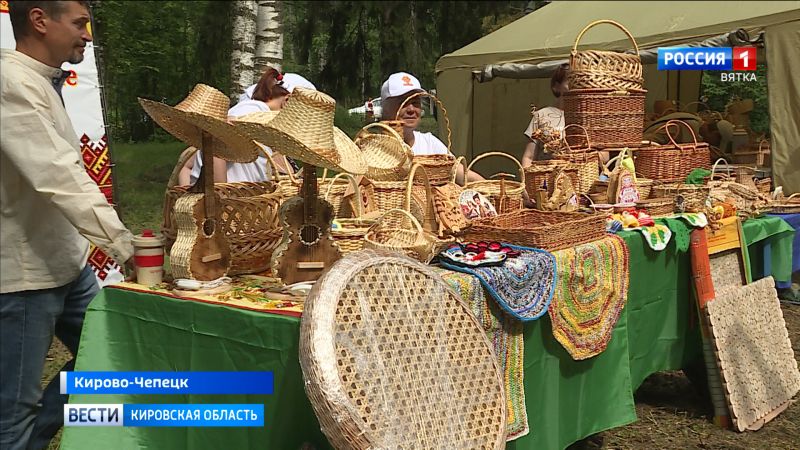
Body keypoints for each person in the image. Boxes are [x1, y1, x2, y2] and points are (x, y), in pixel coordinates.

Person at [1, 2, 135, 449]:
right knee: (12, 413)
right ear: (40, 21)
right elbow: (58, 176)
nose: (88, 35)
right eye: (79, 24)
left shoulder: (38, 81)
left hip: (65, 261)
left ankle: (37, 433)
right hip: (23, 277)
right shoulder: (10, 82)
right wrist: (125, 245)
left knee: (111, 358)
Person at [178, 70, 314, 185]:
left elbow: (188, 165)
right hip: (230, 208)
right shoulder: (251, 116)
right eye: (299, 116)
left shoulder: (247, 111)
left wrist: (185, 193)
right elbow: (216, 147)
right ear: (287, 101)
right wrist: (220, 200)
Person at [379, 71, 484, 185]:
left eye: (415, 102)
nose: (411, 109)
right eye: (403, 103)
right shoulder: (373, 149)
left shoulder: (429, 143)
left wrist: (489, 188)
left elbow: (461, 174)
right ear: (385, 107)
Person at [521, 64, 569, 166]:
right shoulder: (542, 115)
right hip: (546, 177)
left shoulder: (586, 116)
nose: (574, 86)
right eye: (568, 81)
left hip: (581, 177)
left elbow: (604, 156)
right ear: (556, 87)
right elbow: (528, 157)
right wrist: (528, 179)